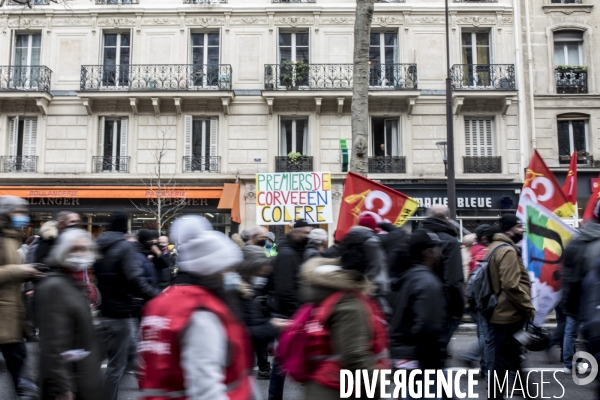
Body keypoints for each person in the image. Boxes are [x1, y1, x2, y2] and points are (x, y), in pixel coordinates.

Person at [138, 215, 256, 400]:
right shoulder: (202, 313)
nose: (233, 276)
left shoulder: (163, 302)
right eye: (229, 269)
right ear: (214, 269)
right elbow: (206, 391)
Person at [299, 229, 390, 400]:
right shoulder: (349, 300)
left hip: (330, 387)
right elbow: (355, 355)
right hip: (338, 389)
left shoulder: (333, 290)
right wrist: (383, 389)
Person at [94, 212, 161, 400]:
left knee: (101, 362)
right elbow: (135, 280)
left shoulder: (98, 246)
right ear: (124, 227)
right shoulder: (125, 247)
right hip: (122, 313)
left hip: (104, 311)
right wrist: (157, 296)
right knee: (116, 367)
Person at [35, 229, 103, 400]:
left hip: (83, 379)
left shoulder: (77, 283)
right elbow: (53, 345)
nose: (80, 254)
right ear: (63, 251)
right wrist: (62, 388)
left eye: (85, 249)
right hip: (70, 386)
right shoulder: (56, 286)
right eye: (75, 249)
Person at [388, 229, 446, 395]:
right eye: (437, 248)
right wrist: (433, 362)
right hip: (421, 360)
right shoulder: (427, 282)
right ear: (428, 252)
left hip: (405, 357)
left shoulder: (407, 277)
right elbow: (428, 327)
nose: (440, 253)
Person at [0, 196, 44, 397]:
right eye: (19, 211)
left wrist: (28, 272)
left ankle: (24, 390)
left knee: (18, 358)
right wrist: (21, 270)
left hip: (10, 312)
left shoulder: (12, 236)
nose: (23, 217)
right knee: (17, 359)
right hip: (4, 313)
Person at [487, 214, 535, 400]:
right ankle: (496, 396)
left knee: (512, 356)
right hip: (507, 313)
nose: (522, 230)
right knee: (504, 359)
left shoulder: (495, 246)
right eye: (519, 227)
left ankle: (525, 392)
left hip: (503, 311)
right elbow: (511, 285)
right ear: (509, 229)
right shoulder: (507, 250)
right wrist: (527, 306)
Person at [268, 219, 312, 400]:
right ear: (296, 232)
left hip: (290, 312)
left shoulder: (293, 251)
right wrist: (297, 314)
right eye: (305, 233)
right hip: (287, 314)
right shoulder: (287, 254)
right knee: (281, 361)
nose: (307, 237)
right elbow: (286, 288)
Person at [237, 246, 289, 380]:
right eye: (258, 273)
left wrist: (273, 321)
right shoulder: (234, 292)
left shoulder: (244, 289)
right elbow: (240, 332)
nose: (262, 277)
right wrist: (271, 326)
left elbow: (251, 321)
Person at [561, 200, 600, 373]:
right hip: (592, 297)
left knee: (572, 331)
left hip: (575, 296)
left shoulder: (576, 241)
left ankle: (569, 363)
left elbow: (566, 271)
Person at [421, 204, 465, 346]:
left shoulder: (416, 238)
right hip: (441, 302)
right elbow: (453, 278)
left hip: (418, 297)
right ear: (447, 219)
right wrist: (458, 307)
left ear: (428, 216)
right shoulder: (450, 241)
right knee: (438, 348)